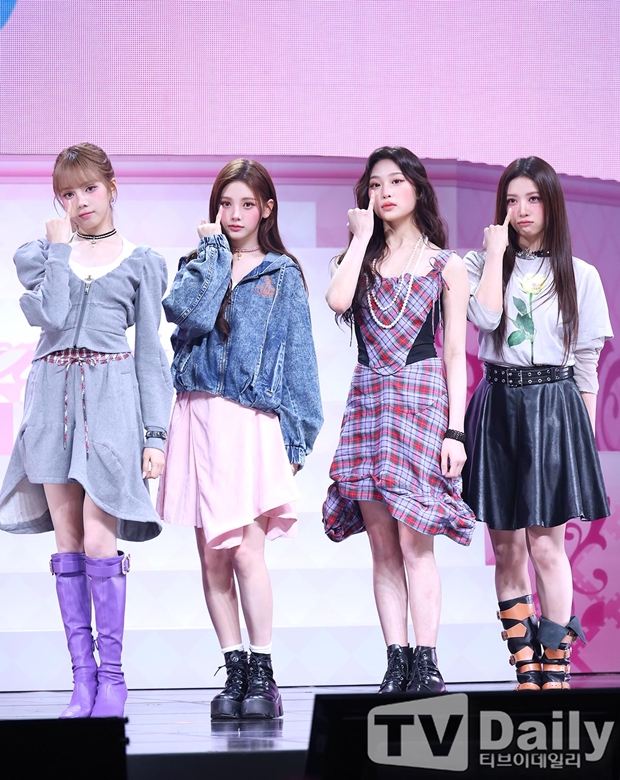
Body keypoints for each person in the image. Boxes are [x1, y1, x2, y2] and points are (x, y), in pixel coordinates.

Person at [0, 143, 172, 717]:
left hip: (112, 403)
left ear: (112, 187)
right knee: (67, 543)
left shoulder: (142, 261)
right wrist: (57, 250)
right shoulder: (42, 254)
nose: (80, 202)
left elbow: (150, 353)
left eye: (89, 189)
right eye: (68, 194)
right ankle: (83, 679)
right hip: (52, 403)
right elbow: (50, 315)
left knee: (101, 541)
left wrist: (154, 435)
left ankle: (114, 680)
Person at [157, 159, 322, 719]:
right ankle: (234, 670)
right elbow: (187, 317)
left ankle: (263, 674)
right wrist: (211, 257)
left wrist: (297, 440)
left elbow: (300, 360)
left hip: (250, 424)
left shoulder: (282, 274)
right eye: (225, 204)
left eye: (247, 204)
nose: (234, 214)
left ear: (266, 209)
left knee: (248, 553)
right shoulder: (198, 265)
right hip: (197, 416)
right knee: (212, 558)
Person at [323, 146, 475, 694]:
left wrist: (456, 430)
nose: (385, 192)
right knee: (383, 547)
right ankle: (396, 659)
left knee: (416, 544)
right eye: (375, 184)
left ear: (417, 189)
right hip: (369, 404)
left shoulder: (445, 264)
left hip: (422, 402)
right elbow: (337, 301)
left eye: (395, 181)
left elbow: (454, 353)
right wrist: (360, 238)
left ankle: (427, 661)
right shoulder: (356, 260)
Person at [462, 156, 613, 691]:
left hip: (554, 407)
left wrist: (583, 437)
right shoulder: (479, 264)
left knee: (547, 546)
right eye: (512, 200)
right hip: (498, 403)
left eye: (532, 199)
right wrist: (495, 254)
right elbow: (483, 319)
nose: (522, 210)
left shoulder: (581, 274)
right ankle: (525, 667)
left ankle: (556, 665)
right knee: (506, 547)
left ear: (551, 204)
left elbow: (588, 363)